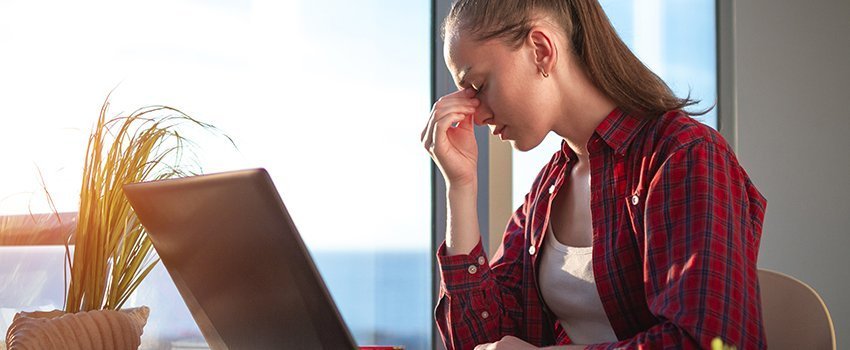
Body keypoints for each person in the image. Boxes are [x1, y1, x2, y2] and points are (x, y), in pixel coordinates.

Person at [420, 1, 767, 349]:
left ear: (540, 50)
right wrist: (460, 187)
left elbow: (707, 342)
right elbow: (480, 342)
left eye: (479, 85)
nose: (478, 116)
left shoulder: (683, 154)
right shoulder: (546, 191)